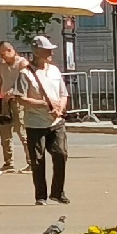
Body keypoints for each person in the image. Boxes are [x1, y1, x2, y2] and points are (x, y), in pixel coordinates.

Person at [14, 36, 70, 205]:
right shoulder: (25, 73)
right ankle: (41, 196)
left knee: (61, 154)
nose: (51, 52)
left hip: (56, 121)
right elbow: (21, 98)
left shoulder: (54, 70)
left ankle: (57, 192)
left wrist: (60, 107)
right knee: (38, 160)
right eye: (47, 50)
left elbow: (63, 94)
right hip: (35, 123)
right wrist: (44, 104)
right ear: (37, 52)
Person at [0, 40, 24, 173]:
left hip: (18, 101)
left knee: (22, 131)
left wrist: (13, 92)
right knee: (5, 132)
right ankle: (8, 163)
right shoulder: (2, 65)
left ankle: (31, 162)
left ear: (10, 50)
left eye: (3, 54)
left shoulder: (22, 63)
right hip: (4, 102)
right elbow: (0, 81)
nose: (2, 58)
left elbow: (23, 82)